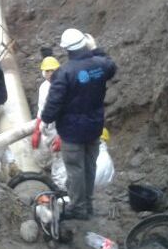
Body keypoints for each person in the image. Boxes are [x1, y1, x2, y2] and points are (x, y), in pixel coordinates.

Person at [40, 29, 116, 221]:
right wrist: (97, 49)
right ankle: (88, 203)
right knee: (89, 166)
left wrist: (46, 120)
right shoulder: (100, 65)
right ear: (85, 43)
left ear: (66, 49)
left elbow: (54, 103)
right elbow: (111, 66)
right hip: (94, 127)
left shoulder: (64, 73)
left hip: (72, 132)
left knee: (75, 171)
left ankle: (78, 208)